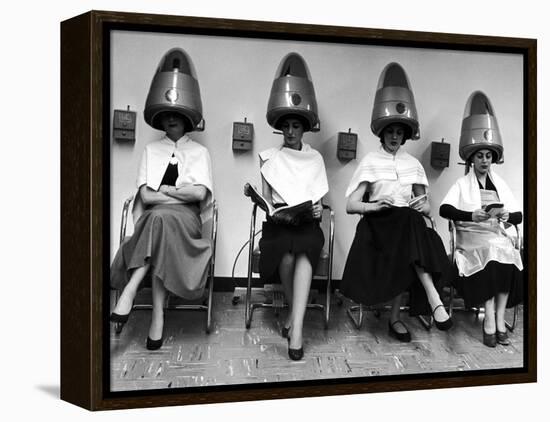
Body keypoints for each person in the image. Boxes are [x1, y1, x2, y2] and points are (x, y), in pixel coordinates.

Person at [340, 63, 452, 343]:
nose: (394, 137)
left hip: (406, 226)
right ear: (382, 132)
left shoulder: (413, 164)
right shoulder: (370, 161)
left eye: (399, 133)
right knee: (409, 227)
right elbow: (351, 205)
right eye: (390, 131)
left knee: (412, 221)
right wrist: (374, 206)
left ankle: (401, 315)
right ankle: (430, 299)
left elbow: (426, 209)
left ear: (405, 135)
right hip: (378, 225)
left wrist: (420, 206)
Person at [110, 48, 213, 351]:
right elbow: (144, 195)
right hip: (159, 220)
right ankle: (157, 317)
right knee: (159, 221)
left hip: (187, 220)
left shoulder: (200, 152)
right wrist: (176, 195)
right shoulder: (150, 151)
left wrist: (165, 193)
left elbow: (199, 194)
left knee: (159, 218)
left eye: (177, 115)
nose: (171, 119)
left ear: (186, 118)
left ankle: (131, 290)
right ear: (161, 117)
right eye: (167, 115)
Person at [257, 53, 329, 360]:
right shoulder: (268, 157)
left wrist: (316, 210)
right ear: (280, 127)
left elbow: (321, 203)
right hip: (279, 224)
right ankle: (293, 311)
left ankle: (296, 327)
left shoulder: (315, 158)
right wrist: (269, 207)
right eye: (285, 126)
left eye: (296, 126)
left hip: (307, 224)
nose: (290, 132)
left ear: (304, 128)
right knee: (285, 258)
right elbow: (267, 201)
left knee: (304, 251)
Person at [440, 91, 522, 348]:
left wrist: (507, 215)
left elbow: (519, 215)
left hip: (494, 235)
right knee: (491, 252)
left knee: (507, 252)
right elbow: (444, 210)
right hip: (470, 236)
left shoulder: (500, 184)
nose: (484, 161)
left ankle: (498, 318)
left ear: (493, 158)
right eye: (479, 156)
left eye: (488, 156)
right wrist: (470, 215)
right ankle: (488, 319)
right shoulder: (461, 183)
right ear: (472, 158)